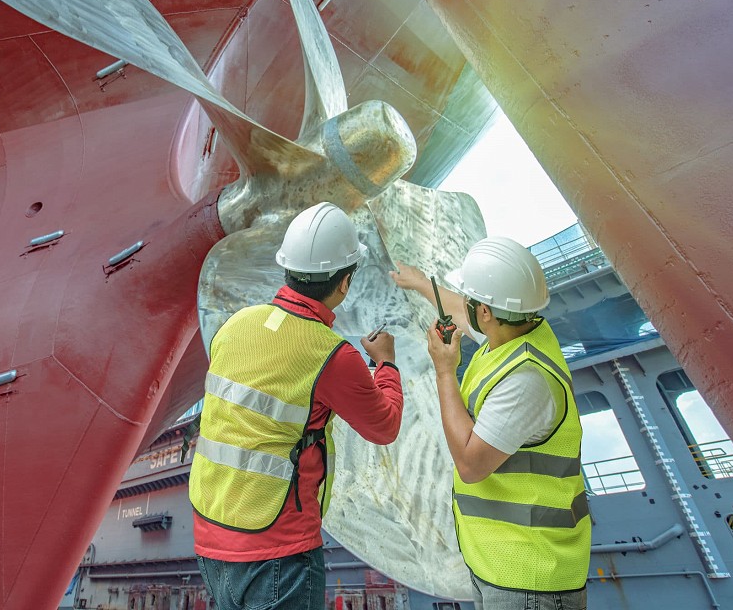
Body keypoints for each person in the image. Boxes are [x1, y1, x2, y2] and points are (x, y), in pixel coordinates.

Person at [189, 201, 404, 610]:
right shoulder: (331, 355)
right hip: (278, 551)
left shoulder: (234, 325)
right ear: (344, 283)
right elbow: (385, 426)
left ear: (285, 268)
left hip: (210, 539)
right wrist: (386, 364)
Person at [391, 236, 590, 609]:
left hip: (530, 576)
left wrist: (444, 371)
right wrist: (419, 282)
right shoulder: (509, 334)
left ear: (486, 312)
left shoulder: (526, 380)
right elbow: (461, 311)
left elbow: (471, 464)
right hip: (500, 564)